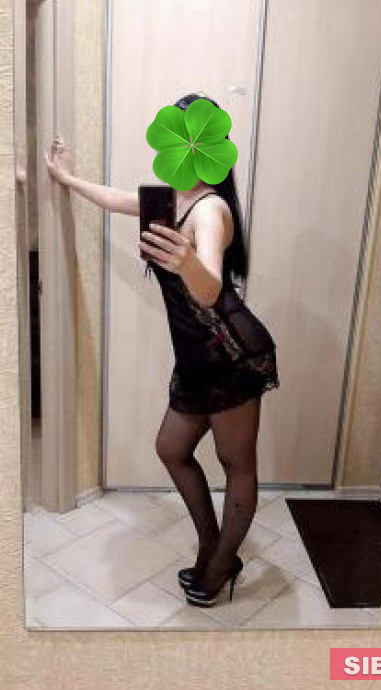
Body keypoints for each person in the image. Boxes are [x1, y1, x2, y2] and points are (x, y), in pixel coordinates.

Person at [45, 93, 280, 608]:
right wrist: (66, 179)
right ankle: (212, 544)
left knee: (236, 463)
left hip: (232, 354)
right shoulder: (169, 199)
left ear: (211, 148)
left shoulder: (211, 209)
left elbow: (210, 286)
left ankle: (220, 564)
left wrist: (187, 262)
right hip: (197, 358)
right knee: (171, 449)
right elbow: (116, 198)